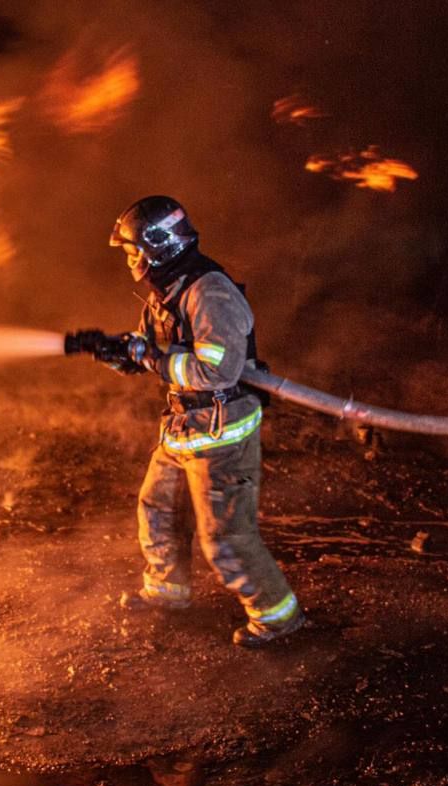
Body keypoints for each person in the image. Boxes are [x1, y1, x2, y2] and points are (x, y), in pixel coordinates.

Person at [98, 195, 304, 647]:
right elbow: (156, 351)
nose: (131, 261)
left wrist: (150, 357)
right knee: (159, 511)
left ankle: (277, 618)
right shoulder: (167, 293)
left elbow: (217, 371)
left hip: (222, 433)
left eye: (134, 252)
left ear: (159, 247)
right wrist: (119, 354)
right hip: (184, 429)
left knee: (226, 538)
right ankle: (167, 592)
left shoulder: (209, 292)